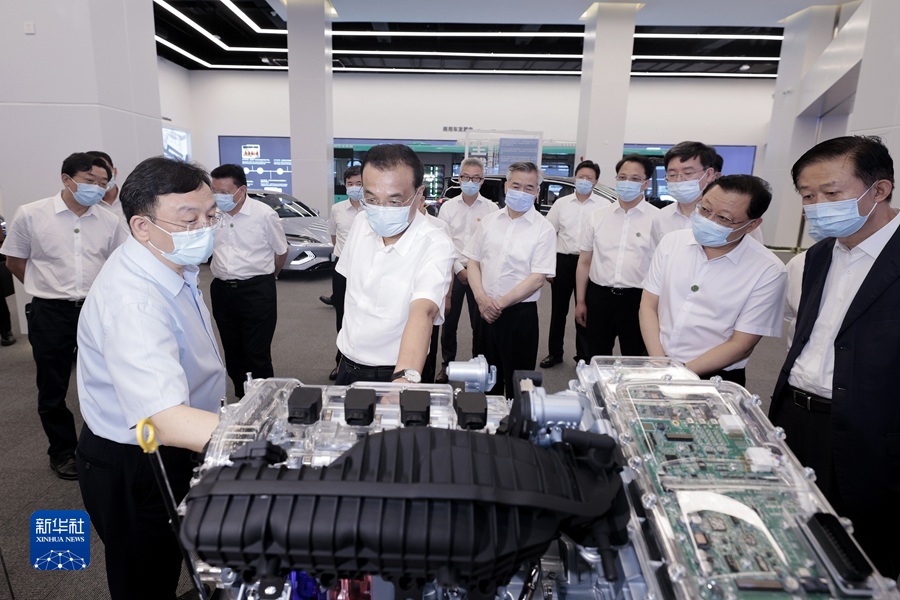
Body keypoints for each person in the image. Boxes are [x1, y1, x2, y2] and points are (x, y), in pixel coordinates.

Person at [75, 156, 226, 599]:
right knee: (146, 576)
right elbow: (167, 420)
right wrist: (269, 442)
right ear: (142, 226)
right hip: (139, 458)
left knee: (178, 553)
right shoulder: (135, 301)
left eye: (211, 216)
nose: (205, 229)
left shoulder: (168, 261)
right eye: (190, 220)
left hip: (178, 443)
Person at [770, 136, 899, 579]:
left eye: (831, 193)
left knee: (862, 558)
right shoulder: (819, 254)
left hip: (871, 434)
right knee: (794, 535)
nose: (817, 206)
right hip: (795, 417)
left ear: (879, 190)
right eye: (808, 196)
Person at [1, 152, 126, 480]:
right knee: (52, 386)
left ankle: (106, 445)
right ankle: (62, 451)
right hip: (50, 312)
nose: (97, 188)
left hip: (95, 310)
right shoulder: (31, 214)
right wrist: (46, 287)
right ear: (66, 179)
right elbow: (14, 260)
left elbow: (118, 264)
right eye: (89, 181)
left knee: (106, 379)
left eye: (103, 182)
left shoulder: (110, 221)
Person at [640, 174, 785, 386]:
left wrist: (678, 374)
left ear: (752, 224)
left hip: (714, 376)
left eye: (724, 218)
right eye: (705, 209)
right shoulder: (672, 242)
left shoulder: (768, 270)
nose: (709, 220)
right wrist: (659, 362)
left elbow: (741, 344)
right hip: (657, 360)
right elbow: (648, 305)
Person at [335, 144, 455, 385]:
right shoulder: (362, 222)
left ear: (419, 195)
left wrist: (402, 380)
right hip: (347, 365)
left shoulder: (436, 243)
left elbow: (423, 311)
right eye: (371, 199)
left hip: (396, 371)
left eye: (394, 202)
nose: (380, 210)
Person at [465, 161, 556, 397]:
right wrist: (481, 299)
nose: (521, 192)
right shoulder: (489, 221)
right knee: (484, 379)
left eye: (529, 188)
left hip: (519, 316)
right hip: (484, 311)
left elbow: (537, 278)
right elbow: (473, 262)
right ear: (506, 187)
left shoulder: (544, 229)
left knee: (519, 385)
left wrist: (498, 305)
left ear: (537, 192)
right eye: (516, 186)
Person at [209, 164, 288, 397]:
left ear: (241, 190)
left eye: (224, 192)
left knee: (256, 351)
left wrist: (270, 276)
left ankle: (264, 399)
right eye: (215, 191)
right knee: (232, 349)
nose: (218, 197)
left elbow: (281, 251)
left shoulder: (264, 214)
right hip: (222, 290)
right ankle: (242, 397)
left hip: (256, 290)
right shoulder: (212, 214)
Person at [574, 154, 656, 358]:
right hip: (599, 297)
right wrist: (581, 301)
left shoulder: (658, 220)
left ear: (646, 183)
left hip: (638, 300)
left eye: (635, 179)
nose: (627, 182)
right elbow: (584, 262)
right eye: (622, 177)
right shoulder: (597, 216)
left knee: (636, 358)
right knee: (597, 356)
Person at [435, 157, 499, 382]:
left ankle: (478, 367)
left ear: (482, 181)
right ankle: (447, 365)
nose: (470, 182)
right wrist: (458, 269)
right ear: (459, 178)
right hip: (453, 271)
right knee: (448, 322)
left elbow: (490, 245)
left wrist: (472, 270)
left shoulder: (491, 208)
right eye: (466, 177)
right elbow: (444, 242)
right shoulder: (448, 207)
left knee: (479, 323)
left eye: (475, 178)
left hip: (479, 273)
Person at [541, 160, 603, 368]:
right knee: (558, 311)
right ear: (575, 178)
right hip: (563, 261)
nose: (584, 180)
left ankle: (583, 357)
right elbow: (548, 233)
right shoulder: (562, 203)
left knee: (585, 309)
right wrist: (549, 266)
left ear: (596, 181)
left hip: (588, 262)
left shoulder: (603, 205)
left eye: (589, 178)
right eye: (581, 176)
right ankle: (554, 353)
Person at [325, 166, 365, 380]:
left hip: (366, 268)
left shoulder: (372, 209)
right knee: (342, 315)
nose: (354, 187)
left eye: (359, 184)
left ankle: (363, 362)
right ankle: (340, 362)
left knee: (364, 313)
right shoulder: (337, 209)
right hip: (342, 268)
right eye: (350, 184)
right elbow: (334, 237)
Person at [86, 150, 127, 226]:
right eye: (94, 173)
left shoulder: (132, 198)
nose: (102, 175)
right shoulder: (86, 206)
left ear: (115, 171)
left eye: (106, 169)